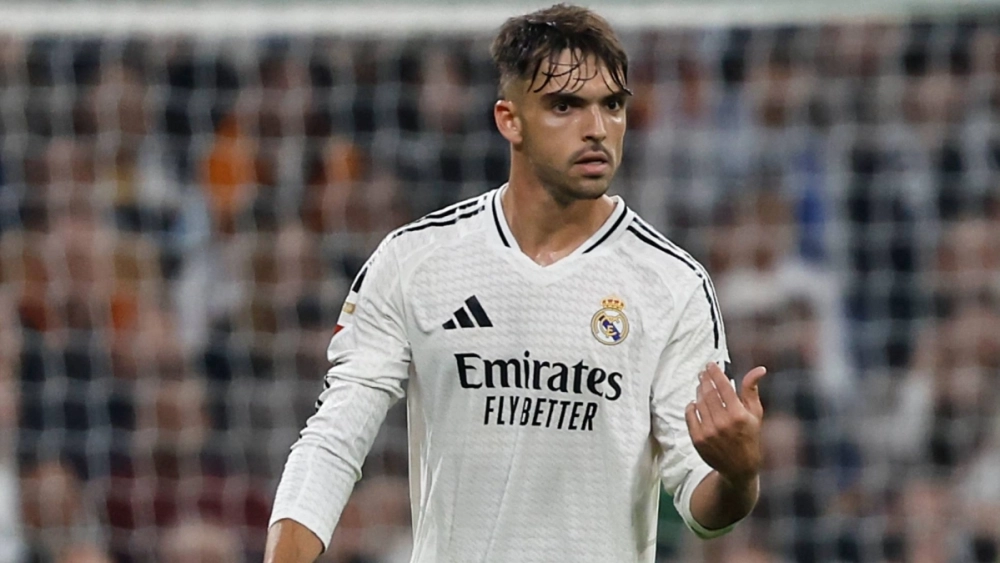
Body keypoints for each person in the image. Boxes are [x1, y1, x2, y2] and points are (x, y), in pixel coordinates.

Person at [265, 4, 767, 562]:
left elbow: (702, 506)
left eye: (613, 106)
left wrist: (741, 475)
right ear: (510, 119)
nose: (597, 129)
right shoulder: (417, 262)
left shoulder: (672, 285)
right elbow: (333, 443)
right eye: (564, 106)